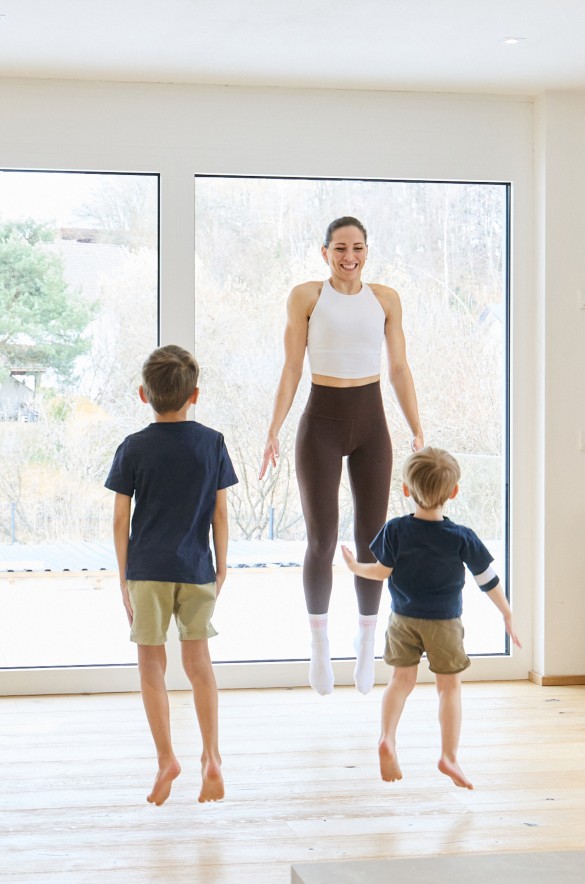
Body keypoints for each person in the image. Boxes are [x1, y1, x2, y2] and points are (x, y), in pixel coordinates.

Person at [260, 216, 423, 696]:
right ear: (325, 252)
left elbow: (398, 367)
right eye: (339, 248)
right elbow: (292, 366)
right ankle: (318, 645)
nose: (348, 256)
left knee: (373, 539)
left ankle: (368, 641)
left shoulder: (386, 299)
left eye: (357, 247)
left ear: (367, 250)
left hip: (372, 423)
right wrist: (273, 429)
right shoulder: (306, 296)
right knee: (321, 540)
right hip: (321, 425)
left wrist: (417, 428)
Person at [105, 345, 238, 805]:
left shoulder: (133, 447)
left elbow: (120, 521)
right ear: (194, 395)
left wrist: (123, 579)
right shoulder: (213, 443)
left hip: (147, 571)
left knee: (151, 669)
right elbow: (221, 514)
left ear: (144, 395)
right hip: (196, 568)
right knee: (199, 667)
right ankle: (212, 756)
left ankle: (167, 759)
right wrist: (222, 567)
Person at [341, 446, 521, 789]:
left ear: (407, 490)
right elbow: (488, 581)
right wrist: (507, 613)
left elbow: (381, 572)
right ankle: (448, 756)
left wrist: (353, 566)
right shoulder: (461, 537)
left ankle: (387, 738)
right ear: (453, 492)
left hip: (403, 620)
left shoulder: (396, 530)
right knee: (448, 687)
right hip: (444, 624)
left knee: (400, 682)